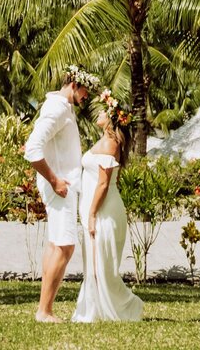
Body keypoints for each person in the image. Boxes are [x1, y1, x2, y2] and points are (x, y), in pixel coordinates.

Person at [24, 67, 95, 323]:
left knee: (56, 243)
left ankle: (45, 308)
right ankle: (44, 311)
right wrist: (54, 181)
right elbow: (32, 149)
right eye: (87, 91)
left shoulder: (63, 106)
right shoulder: (57, 109)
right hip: (60, 186)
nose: (88, 97)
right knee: (66, 245)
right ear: (75, 84)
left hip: (61, 184)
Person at [72, 91, 143, 324]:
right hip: (100, 207)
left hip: (103, 210)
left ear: (111, 117)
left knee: (100, 265)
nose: (98, 113)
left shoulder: (111, 143)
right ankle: (94, 309)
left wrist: (92, 214)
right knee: (95, 263)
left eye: (103, 110)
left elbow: (104, 183)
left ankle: (127, 306)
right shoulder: (105, 141)